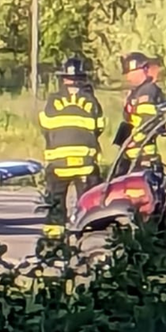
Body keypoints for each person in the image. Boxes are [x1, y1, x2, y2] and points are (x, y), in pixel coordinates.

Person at [38, 57, 106, 238]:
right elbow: (99, 128)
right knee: (88, 205)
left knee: (55, 204)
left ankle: (53, 243)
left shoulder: (53, 101)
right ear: (82, 78)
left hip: (58, 163)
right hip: (85, 163)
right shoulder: (91, 101)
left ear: (63, 79)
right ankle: (87, 240)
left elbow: (45, 127)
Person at [112, 51, 165, 174]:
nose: (128, 77)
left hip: (142, 156)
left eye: (131, 73)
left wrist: (133, 140)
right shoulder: (137, 91)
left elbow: (147, 122)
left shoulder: (147, 91)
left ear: (142, 70)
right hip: (132, 155)